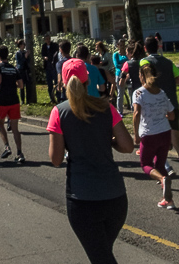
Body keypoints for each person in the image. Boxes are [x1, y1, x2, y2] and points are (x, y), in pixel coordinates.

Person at [48, 58, 134, 264]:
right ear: (88, 81)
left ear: (64, 83)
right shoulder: (106, 107)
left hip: (83, 198)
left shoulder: (59, 112)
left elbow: (56, 159)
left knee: (101, 256)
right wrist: (107, 141)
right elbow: (127, 146)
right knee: (102, 253)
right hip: (115, 197)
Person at [141, 36, 179, 191]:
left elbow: (146, 81)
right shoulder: (168, 62)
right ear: (158, 46)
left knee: (154, 139)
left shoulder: (144, 62)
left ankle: (164, 171)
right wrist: (169, 83)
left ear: (145, 49)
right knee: (176, 142)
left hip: (156, 106)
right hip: (172, 105)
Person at [132, 63, 177, 210]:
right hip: (165, 133)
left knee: (146, 164)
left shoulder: (139, 93)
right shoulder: (162, 92)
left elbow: (137, 114)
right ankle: (168, 200)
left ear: (141, 76)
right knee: (160, 164)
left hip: (149, 134)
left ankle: (163, 179)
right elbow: (172, 115)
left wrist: (136, 134)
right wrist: (162, 114)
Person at [0, 46, 25, 163]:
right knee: (15, 128)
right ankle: (20, 153)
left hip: (3, 101)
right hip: (14, 101)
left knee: (0, 124)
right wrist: (12, 85)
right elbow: (21, 85)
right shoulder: (14, 68)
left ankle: (7, 147)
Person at [111, 39, 129, 113]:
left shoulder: (127, 54)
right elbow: (116, 65)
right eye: (120, 45)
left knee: (130, 91)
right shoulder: (115, 55)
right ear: (118, 46)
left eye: (123, 45)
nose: (122, 47)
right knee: (120, 94)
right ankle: (120, 111)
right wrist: (125, 65)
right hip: (119, 75)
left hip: (128, 75)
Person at [40, 34, 58, 103]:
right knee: (49, 83)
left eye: (48, 39)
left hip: (53, 66)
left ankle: (57, 96)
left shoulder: (54, 45)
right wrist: (44, 57)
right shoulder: (44, 46)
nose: (48, 40)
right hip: (47, 66)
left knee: (56, 81)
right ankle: (51, 98)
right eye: (46, 39)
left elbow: (55, 53)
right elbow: (43, 54)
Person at [14, 39, 29, 105]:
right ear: (20, 45)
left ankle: (28, 100)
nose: (24, 45)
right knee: (22, 86)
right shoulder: (18, 53)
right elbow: (19, 63)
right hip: (21, 70)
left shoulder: (25, 52)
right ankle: (22, 100)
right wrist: (25, 57)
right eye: (23, 44)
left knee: (28, 85)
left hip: (26, 70)